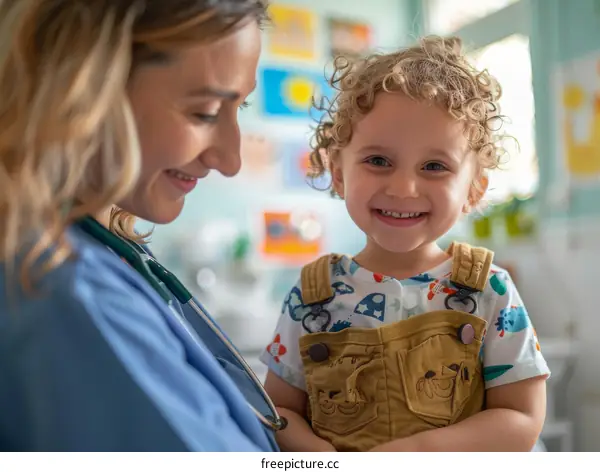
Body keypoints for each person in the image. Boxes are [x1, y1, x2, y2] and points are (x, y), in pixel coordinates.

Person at [0, 0, 279, 452]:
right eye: (205, 112)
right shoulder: (65, 290)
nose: (230, 160)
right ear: (79, 88)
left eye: (239, 108)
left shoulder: (104, 253)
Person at [260, 36, 551, 452]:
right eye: (378, 161)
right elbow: (278, 412)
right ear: (338, 172)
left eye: (434, 166)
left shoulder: (491, 290)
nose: (403, 187)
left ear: (472, 189)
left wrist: (418, 453)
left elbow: (521, 419)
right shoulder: (311, 298)